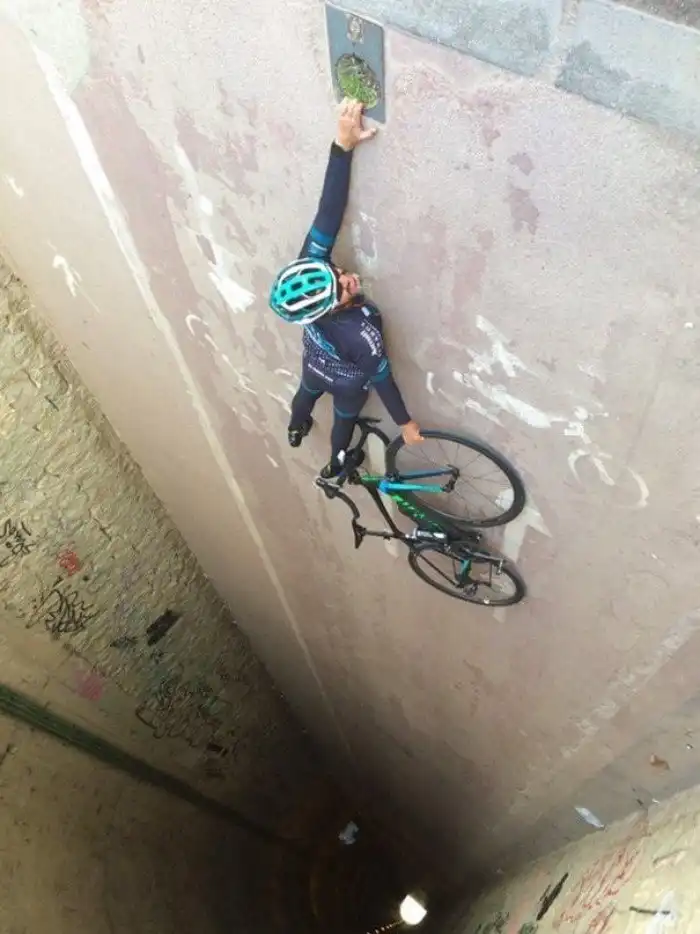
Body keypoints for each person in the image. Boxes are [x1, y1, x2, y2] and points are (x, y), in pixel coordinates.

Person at [269, 98, 422, 478]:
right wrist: (405, 423)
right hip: (348, 382)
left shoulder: (311, 272)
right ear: (329, 308)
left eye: (334, 272)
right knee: (343, 422)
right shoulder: (361, 332)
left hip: (314, 363)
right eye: (343, 288)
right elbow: (383, 380)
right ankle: (336, 462)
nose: (347, 277)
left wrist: (342, 146)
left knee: (304, 395)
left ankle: (296, 427)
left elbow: (328, 211)